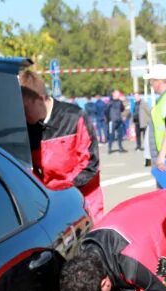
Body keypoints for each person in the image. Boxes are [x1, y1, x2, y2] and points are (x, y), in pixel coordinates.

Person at [19, 70, 104, 221]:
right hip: (53, 203)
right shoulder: (28, 128)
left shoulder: (74, 117)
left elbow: (91, 164)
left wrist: (63, 190)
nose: (24, 115)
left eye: (26, 109)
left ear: (40, 99)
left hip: (84, 201)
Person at [105, 89, 126, 153]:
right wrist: (109, 119)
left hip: (119, 120)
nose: (118, 95)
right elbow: (106, 111)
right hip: (112, 121)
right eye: (117, 94)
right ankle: (110, 148)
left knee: (120, 134)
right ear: (113, 94)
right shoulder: (110, 102)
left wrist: (122, 103)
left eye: (119, 94)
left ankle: (120, 147)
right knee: (111, 135)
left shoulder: (120, 101)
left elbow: (122, 109)